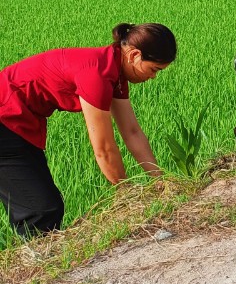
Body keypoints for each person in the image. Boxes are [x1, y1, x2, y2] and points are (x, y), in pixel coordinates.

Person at [0, 23, 176, 237]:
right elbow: (103, 149)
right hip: (6, 117)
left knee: (43, 206)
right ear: (134, 55)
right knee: (41, 210)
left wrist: (159, 182)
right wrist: (127, 194)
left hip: (18, 121)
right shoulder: (96, 75)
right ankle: (40, 265)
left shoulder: (114, 72)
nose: (153, 77)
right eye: (154, 69)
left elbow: (132, 132)